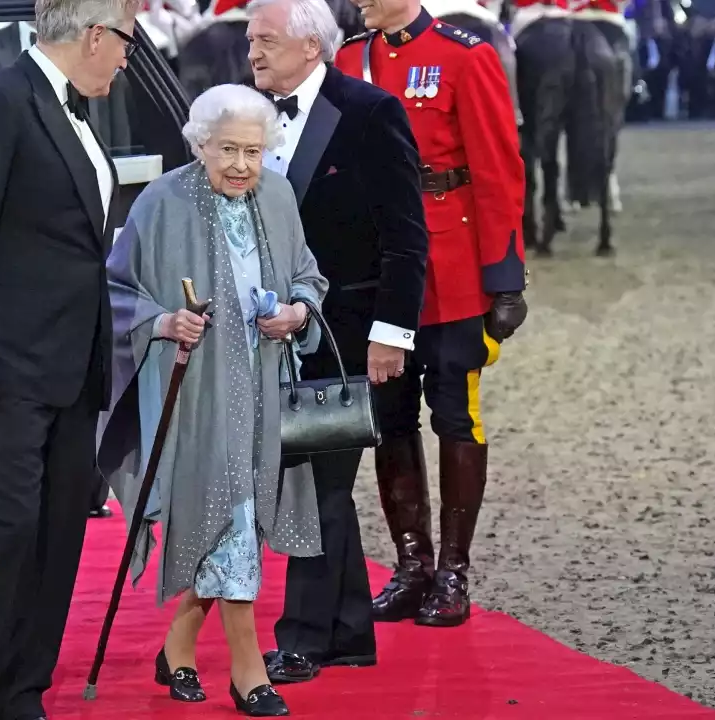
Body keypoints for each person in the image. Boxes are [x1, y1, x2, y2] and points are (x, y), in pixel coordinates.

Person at [0, 0, 139, 717]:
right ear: (96, 36)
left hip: (71, 367)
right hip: (1, 367)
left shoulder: (74, 112)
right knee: (6, 522)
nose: (130, 57)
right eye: (127, 42)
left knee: (57, 530)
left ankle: (21, 691)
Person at [96, 83, 329, 718]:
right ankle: (249, 672)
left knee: (238, 516)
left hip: (263, 388)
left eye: (253, 152)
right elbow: (114, 290)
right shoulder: (161, 201)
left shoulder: (277, 195)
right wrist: (165, 321)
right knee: (228, 514)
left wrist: (297, 311)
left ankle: (177, 649)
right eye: (227, 149)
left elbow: (308, 272)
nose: (241, 166)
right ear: (199, 145)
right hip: (194, 391)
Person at [241, 0, 429, 685]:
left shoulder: (372, 113)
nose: (253, 53)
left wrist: (391, 335)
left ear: (311, 47)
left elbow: (408, 236)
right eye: (250, 40)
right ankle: (348, 632)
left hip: (350, 337)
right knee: (320, 485)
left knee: (314, 489)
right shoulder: (246, 117)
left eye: (265, 40)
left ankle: (302, 639)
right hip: (272, 339)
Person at [334, 0, 528, 628]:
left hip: (450, 270)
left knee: (454, 417)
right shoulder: (348, 58)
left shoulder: (463, 56)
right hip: (380, 273)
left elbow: (499, 168)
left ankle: (453, 572)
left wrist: (504, 276)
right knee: (390, 418)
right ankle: (412, 567)